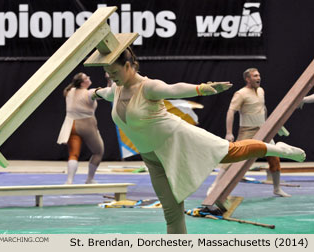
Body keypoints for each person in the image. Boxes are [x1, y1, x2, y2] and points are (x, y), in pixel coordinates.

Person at [92, 48, 305, 234]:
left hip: (178, 139)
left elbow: (174, 89)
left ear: (129, 66)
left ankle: (277, 149)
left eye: (115, 72)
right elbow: (105, 93)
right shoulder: (116, 88)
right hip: (153, 159)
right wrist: (92, 94)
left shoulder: (149, 87)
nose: (111, 77)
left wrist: (200, 88)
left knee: (231, 152)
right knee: (172, 214)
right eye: (108, 73)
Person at [207, 68, 291, 197]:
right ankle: (215, 185)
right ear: (248, 79)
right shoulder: (241, 93)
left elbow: (263, 108)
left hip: (264, 129)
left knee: (275, 158)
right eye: (255, 76)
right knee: (233, 157)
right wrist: (229, 132)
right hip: (247, 131)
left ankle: (277, 189)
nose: (258, 78)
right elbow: (231, 111)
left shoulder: (261, 91)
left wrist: (273, 124)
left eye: (259, 75)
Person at [57, 72, 107, 184]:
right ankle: (90, 179)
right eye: (86, 77)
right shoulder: (89, 93)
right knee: (98, 152)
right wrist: (110, 80)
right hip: (87, 125)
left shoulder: (69, 91)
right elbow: (107, 93)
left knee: (73, 154)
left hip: (71, 125)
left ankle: (69, 181)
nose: (89, 78)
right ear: (83, 83)